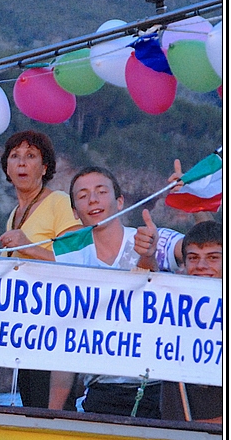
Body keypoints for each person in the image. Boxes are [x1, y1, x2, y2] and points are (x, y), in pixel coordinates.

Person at [48, 167, 181, 417]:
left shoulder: (153, 238)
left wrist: (194, 200)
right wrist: (51, 414)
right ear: (75, 212)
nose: (93, 200)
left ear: (119, 202)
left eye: (101, 191)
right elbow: (63, 342)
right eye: (83, 195)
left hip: (159, 389)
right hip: (102, 392)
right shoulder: (69, 260)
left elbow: (204, 252)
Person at [0, 130, 82, 408]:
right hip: (25, 330)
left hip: (56, 328)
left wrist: (28, 245)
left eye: (30, 156)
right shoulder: (14, 215)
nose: (21, 163)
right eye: (15, 157)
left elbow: (78, 261)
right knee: (30, 404)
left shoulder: (58, 202)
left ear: (45, 168)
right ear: (7, 168)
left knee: (53, 412)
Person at [160, 220, 223, 423]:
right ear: (183, 265)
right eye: (193, 258)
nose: (201, 266)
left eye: (213, 258)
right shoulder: (172, 314)